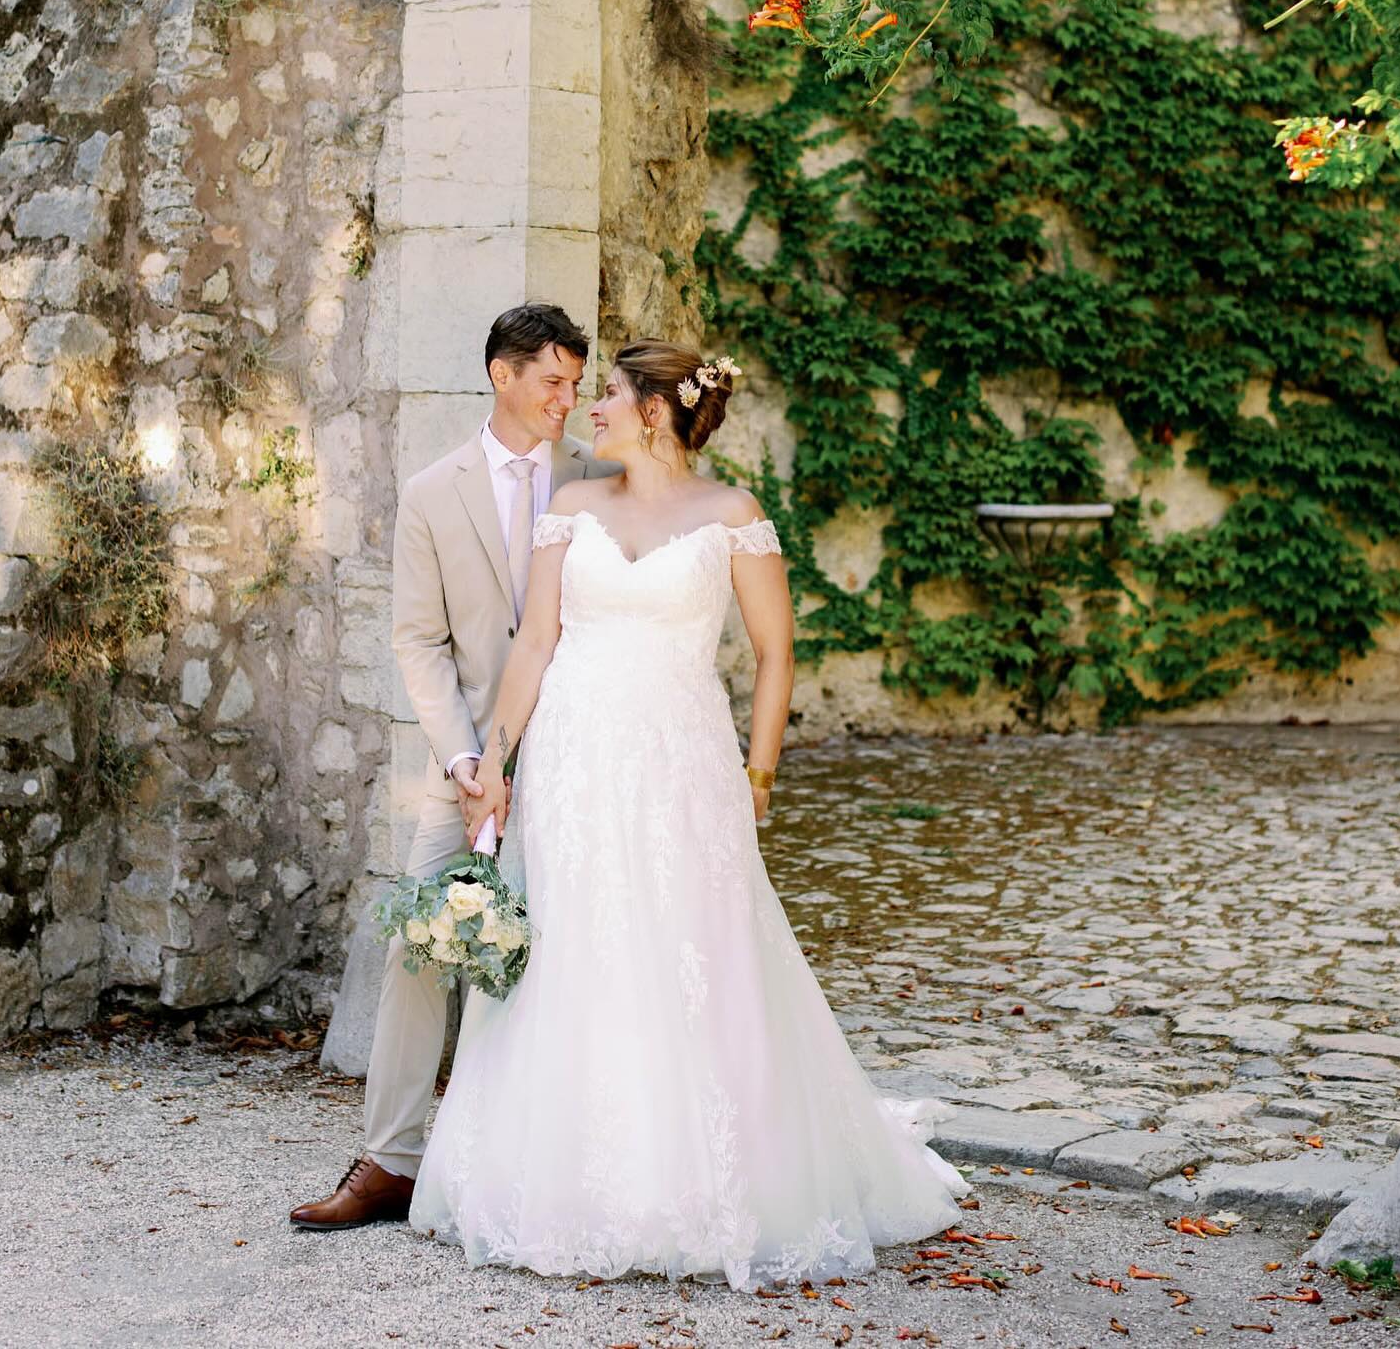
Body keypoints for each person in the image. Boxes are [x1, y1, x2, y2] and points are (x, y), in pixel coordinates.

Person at [408, 340, 968, 1288]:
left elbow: (775, 652)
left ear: (655, 410)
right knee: (579, 945)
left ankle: (712, 1174)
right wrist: (495, 763)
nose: (590, 408)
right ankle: (569, 1180)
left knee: (694, 949)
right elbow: (536, 643)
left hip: (684, 763)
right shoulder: (572, 508)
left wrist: (759, 775)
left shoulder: (733, 515)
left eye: (609, 393)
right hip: (576, 762)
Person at [290, 302, 613, 1230]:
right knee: (416, 945)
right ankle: (390, 1161)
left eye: (576, 384)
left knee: (573, 948)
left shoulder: (599, 479)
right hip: (467, 767)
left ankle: (563, 1159)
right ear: (502, 375)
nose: (567, 399)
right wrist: (468, 759)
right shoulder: (433, 491)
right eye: (552, 381)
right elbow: (418, 641)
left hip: (580, 754)